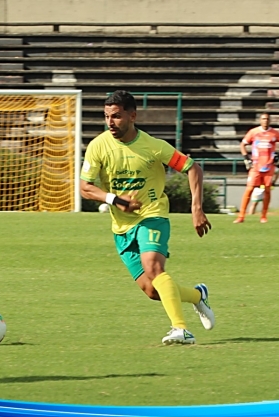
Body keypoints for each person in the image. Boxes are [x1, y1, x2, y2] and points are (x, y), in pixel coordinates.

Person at [80, 90, 214, 346]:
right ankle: (197, 296)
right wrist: (114, 199)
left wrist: (196, 208)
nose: (110, 122)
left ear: (133, 115)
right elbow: (84, 186)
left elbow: (192, 167)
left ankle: (181, 329)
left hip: (152, 216)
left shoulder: (153, 146)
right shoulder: (98, 145)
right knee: (153, 291)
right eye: (107, 116)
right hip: (121, 227)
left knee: (154, 268)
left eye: (117, 116)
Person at [233, 112, 279, 224]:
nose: (265, 121)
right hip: (255, 166)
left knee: (267, 191)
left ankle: (263, 216)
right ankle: (241, 216)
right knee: (249, 189)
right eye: (263, 119)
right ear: (260, 120)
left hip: (269, 166)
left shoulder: (274, 133)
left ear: (270, 120)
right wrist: (246, 158)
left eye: (267, 119)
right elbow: (242, 144)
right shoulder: (254, 132)